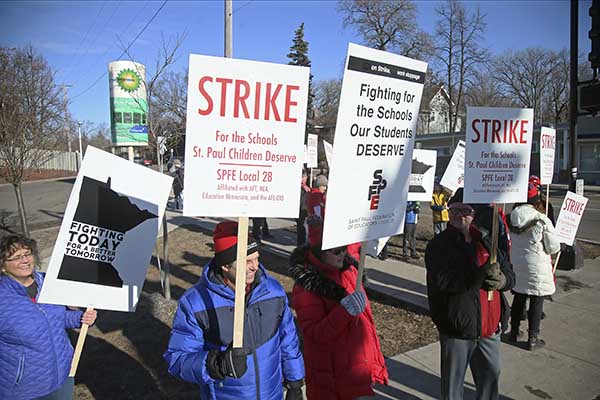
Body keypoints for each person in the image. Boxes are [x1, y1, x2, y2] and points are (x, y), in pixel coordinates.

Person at [164, 221, 305, 400]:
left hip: (272, 394)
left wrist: (295, 382)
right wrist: (217, 364)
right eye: (247, 261)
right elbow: (177, 359)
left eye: (256, 258)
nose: (255, 266)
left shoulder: (273, 291)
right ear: (225, 266)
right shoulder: (196, 303)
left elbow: (288, 339)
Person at [289, 197, 388, 400]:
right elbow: (316, 334)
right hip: (332, 380)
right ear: (319, 252)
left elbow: (366, 324)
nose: (342, 254)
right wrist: (344, 311)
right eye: (336, 250)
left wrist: (375, 362)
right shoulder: (307, 287)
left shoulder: (350, 272)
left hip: (357, 371)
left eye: (343, 248)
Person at [425, 189, 515, 400]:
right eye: (454, 210)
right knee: (453, 389)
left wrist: (502, 281)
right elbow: (445, 281)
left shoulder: (486, 240)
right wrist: (480, 275)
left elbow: (510, 274)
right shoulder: (439, 245)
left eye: (465, 210)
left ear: (475, 214)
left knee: (489, 383)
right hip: (457, 329)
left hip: (490, 329)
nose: (459, 215)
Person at [0, 234, 97, 400]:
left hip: (63, 375)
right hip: (25, 388)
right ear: (3, 266)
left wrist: (81, 318)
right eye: (16, 257)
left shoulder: (48, 282)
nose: (24, 260)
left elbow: (57, 317)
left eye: (27, 254)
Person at [507, 183, 560, 350]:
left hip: (517, 265)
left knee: (519, 297)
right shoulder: (542, 219)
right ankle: (533, 338)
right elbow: (553, 247)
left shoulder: (510, 218)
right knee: (537, 300)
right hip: (537, 267)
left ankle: (514, 332)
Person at [297, 169, 311, 246]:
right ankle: (301, 247)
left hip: (305, 212)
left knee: (304, 231)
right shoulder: (297, 188)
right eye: (301, 177)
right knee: (302, 230)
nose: (303, 179)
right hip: (300, 212)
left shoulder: (307, 188)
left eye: (304, 177)